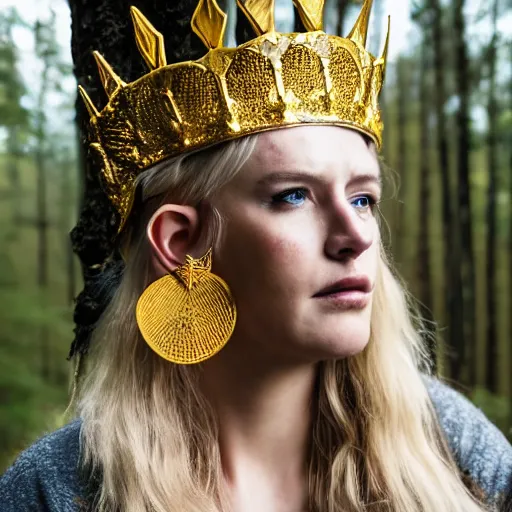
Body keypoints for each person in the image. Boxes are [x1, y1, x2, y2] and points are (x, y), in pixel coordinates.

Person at [1, 0, 511, 511]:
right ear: (180, 242)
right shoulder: (57, 491)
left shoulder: (453, 449)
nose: (354, 236)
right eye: (293, 195)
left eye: (363, 199)